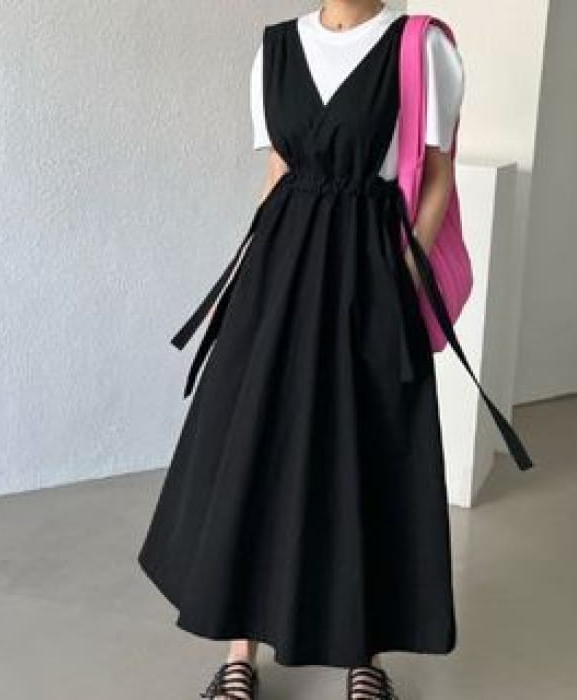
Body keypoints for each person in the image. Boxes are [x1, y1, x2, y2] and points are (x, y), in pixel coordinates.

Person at [138, 2, 465, 698]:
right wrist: (242, 273)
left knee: (365, 453)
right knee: (257, 447)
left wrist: (403, 278)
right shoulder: (278, 48)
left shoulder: (418, 47)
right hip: (280, 270)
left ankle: (365, 657)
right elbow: (281, 170)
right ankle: (239, 654)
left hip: (368, 270)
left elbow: (438, 174)